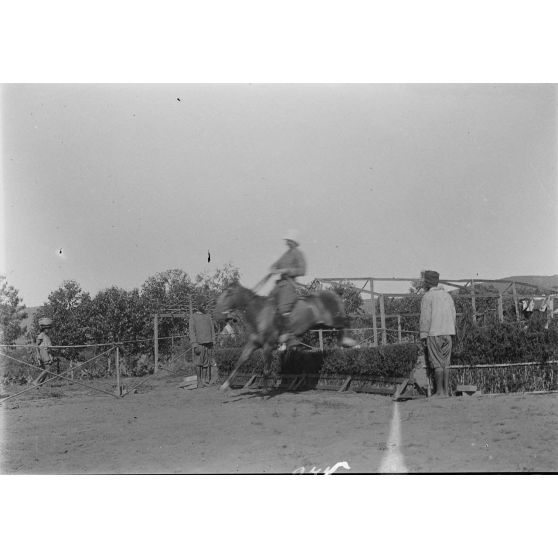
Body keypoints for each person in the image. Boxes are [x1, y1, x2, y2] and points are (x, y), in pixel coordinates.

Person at [419, 270, 456, 397]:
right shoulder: (447, 296)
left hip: (434, 333)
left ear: (427, 282)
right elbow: (453, 315)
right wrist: (452, 330)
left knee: (437, 363)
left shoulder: (427, 297)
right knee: (446, 363)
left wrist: (423, 335)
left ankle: (439, 391)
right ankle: (446, 391)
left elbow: (425, 318)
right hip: (448, 333)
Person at [269, 229, 307, 350]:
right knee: (268, 303)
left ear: (293, 242)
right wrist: (273, 268)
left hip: (290, 285)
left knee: (284, 307)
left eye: (289, 241)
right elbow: (276, 264)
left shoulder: (298, 253)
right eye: (287, 241)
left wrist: (287, 271)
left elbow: (302, 270)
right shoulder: (286, 254)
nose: (287, 243)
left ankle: (290, 337)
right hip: (280, 285)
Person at [189, 310, 215, 388]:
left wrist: (213, 341)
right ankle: (199, 381)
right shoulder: (193, 317)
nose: (204, 306)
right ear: (198, 306)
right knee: (198, 363)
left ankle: (204, 381)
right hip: (199, 344)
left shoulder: (208, 316)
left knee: (206, 363)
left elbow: (212, 329)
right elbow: (192, 331)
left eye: (205, 304)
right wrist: (194, 344)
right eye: (202, 304)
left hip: (208, 343)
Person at [34, 317, 55, 386]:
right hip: (43, 352)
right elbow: (36, 345)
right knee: (47, 369)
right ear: (43, 329)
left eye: (49, 328)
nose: (48, 330)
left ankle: (40, 383)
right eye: (47, 329)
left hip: (47, 352)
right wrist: (38, 354)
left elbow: (49, 346)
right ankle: (36, 381)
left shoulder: (47, 336)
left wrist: (51, 355)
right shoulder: (41, 335)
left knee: (47, 370)